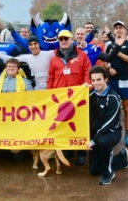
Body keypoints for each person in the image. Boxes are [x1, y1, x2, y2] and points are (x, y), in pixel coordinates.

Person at [47, 30, 91, 166]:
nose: (64, 41)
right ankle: (68, 149)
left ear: (71, 39)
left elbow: (87, 74)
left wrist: (87, 86)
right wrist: (49, 94)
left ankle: (81, 152)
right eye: (61, 39)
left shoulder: (82, 56)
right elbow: (51, 78)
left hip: (78, 100)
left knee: (80, 125)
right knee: (64, 125)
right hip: (60, 100)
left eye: (66, 38)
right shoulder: (54, 58)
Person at [87, 66, 128, 185]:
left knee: (103, 141)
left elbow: (109, 122)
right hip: (97, 133)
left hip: (112, 132)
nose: (96, 83)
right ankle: (122, 157)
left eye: (99, 79)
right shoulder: (90, 95)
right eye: (93, 80)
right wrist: (81, 90)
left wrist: (93, 140)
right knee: (94, 170)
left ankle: (108, 174)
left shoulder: (113, 97)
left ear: (106, 79)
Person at [98, 21, 128, 147]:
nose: (119, 30)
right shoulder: (109, 45)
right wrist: (109, 69)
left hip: (126, 80)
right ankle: (109, 132)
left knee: (126, 108)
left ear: (125, 30)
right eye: (116, 28)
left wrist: (118, 50)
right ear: (114, 32)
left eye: (121, 28)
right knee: (111, 107)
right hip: (113, 80)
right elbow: (104, 61)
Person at [0, 58, 33, 161]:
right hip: (2, 110)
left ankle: (16, 151)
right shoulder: (0, 80)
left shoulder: (24, 81)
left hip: (17, 112)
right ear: (6, 68)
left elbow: (31, 95)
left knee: (15, 132)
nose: (11, 68)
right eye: (9, 66)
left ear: (18, 69)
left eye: (14, 66)